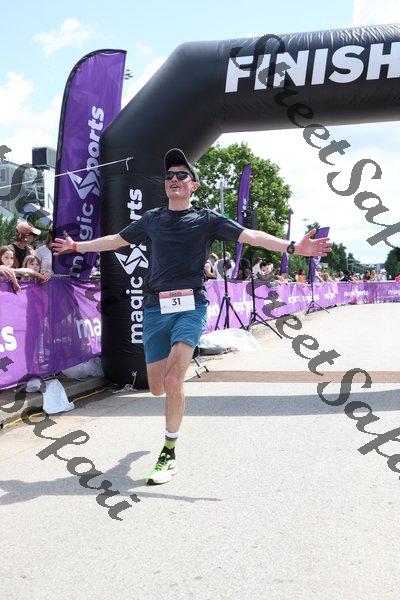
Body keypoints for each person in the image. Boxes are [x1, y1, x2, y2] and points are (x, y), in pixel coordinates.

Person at [52, 147, 331, 486]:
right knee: (156, 387)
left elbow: (251, 236)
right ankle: (165, 403)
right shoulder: (152, 219)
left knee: (173, 381)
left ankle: (168, 451)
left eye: (181, 175)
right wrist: (77, 247)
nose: (174, 179)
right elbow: (115, 240)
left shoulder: (207, 219)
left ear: (193, 185)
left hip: (191, 305)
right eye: (169, 175)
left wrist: (293, 247)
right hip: (154, 308)